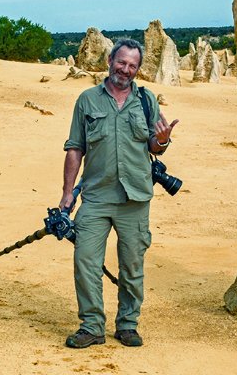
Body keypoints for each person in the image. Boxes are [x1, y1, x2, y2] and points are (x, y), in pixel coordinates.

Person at [59, 38, 179, 349]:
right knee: (85, 261)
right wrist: (67, 194)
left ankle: (127, 324)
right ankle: (91, 326)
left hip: (135, 199)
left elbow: (154, 145)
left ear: (138, 69)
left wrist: (163, 141)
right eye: (121, 62)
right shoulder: (87, 100)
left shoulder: (146, 100)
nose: (125, 69)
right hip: (96, 197)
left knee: (132, 266)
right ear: (110, 60)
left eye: (132, 65)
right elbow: (75, 148)